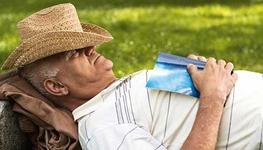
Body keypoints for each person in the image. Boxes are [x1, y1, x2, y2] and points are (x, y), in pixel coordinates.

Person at [1, 3, 262, 150]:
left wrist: (196, 70)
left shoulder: (116, 94)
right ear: (56, 86)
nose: (91, 49)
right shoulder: (100, 126)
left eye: (86, 44)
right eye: (75, 53)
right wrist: (213, 96)